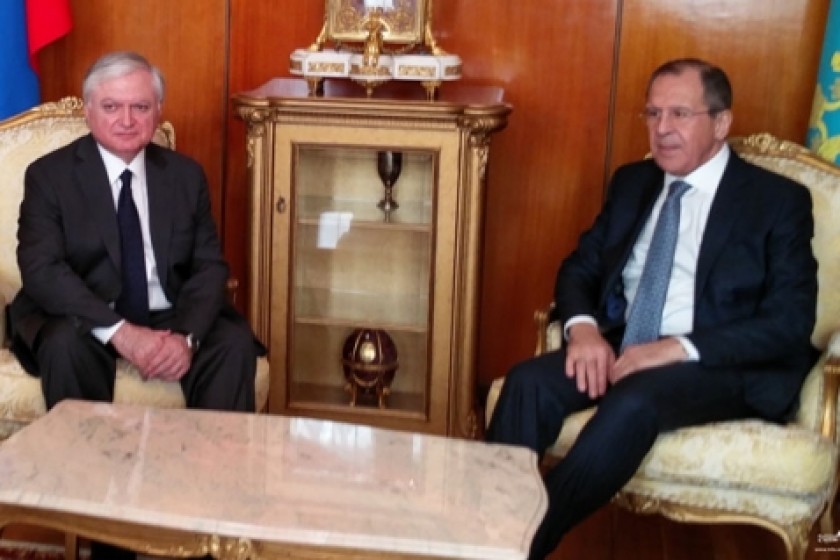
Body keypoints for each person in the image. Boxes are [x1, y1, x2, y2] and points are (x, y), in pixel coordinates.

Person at [485, 58, 818, 559]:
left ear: (721, 123)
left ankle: (512, 544)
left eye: (680, 114)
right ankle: (491, 529)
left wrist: (677, 348)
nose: (661, 129)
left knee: (634, 400)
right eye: (653, 113)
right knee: (526, 384)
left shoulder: (776, 201)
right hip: (625, 342)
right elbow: (579, 268)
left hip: (719, 363)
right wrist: (583, 330)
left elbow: (790, 323)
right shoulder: (633, 182)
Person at [10, 51, 262, 559]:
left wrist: (185, 337)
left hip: (169, 311)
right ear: (88, 110)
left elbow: (208, 266)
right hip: (82, 314)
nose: (126, 120)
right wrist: (122, 333)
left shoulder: (184, 176)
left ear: (158, 110)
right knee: (64, 346)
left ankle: (207, 531)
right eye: (112, 107)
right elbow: (42, 271)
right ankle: (106, 539)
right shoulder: (49, 176)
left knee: (232, 344)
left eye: (140, 107)